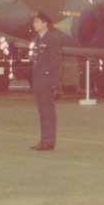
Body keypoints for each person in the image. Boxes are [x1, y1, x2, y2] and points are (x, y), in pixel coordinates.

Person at [29, 11, 63, 151]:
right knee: (42, 112)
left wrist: (55, 83)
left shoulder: (51, 38)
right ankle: (43, 140)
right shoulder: (37, 39)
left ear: (45, 24)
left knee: (48, 112)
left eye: (37, 22)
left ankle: (48, 142)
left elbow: (56, 62)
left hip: (47, 81)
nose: (34, 24)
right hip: (39, 80)